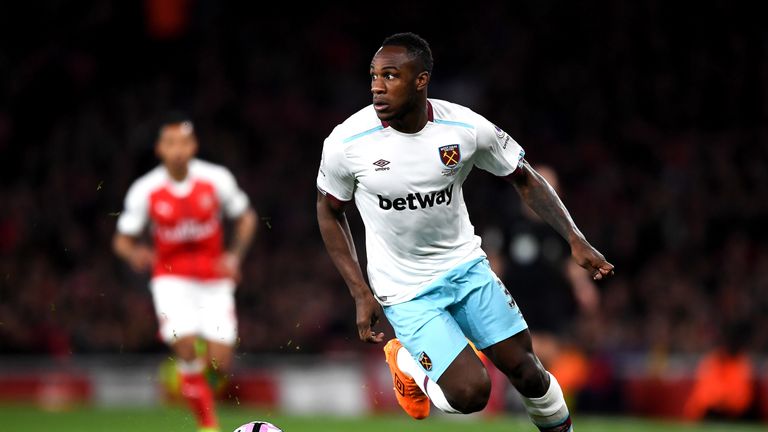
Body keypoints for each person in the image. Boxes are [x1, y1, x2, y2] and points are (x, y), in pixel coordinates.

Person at [316, 33, 613, 432]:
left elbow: (524, 178)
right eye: (373, 76)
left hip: (466, 268)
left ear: (421, 80)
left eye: (390, 76)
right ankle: (403, 360)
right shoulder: (347, 143)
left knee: (530, 374)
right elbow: (329, 209)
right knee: (471, 393)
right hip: (404, 289)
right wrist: (359, 291)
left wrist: (574, 238)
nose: (376, 86)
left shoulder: (464, 127)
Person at [114, 113, 257, 432]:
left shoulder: (216, 179)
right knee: (187, 348)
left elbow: (246, 218)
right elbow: (122, 239)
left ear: (193, 146)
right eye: (170, 143)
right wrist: (135, 251)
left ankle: (196, 369)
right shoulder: (146, 190)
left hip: (214, 280)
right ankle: (208, 424)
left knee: (221, 361)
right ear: (159, 149)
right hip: (171, 280)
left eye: (183, 142)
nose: (177, 150)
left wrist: (233, 257)